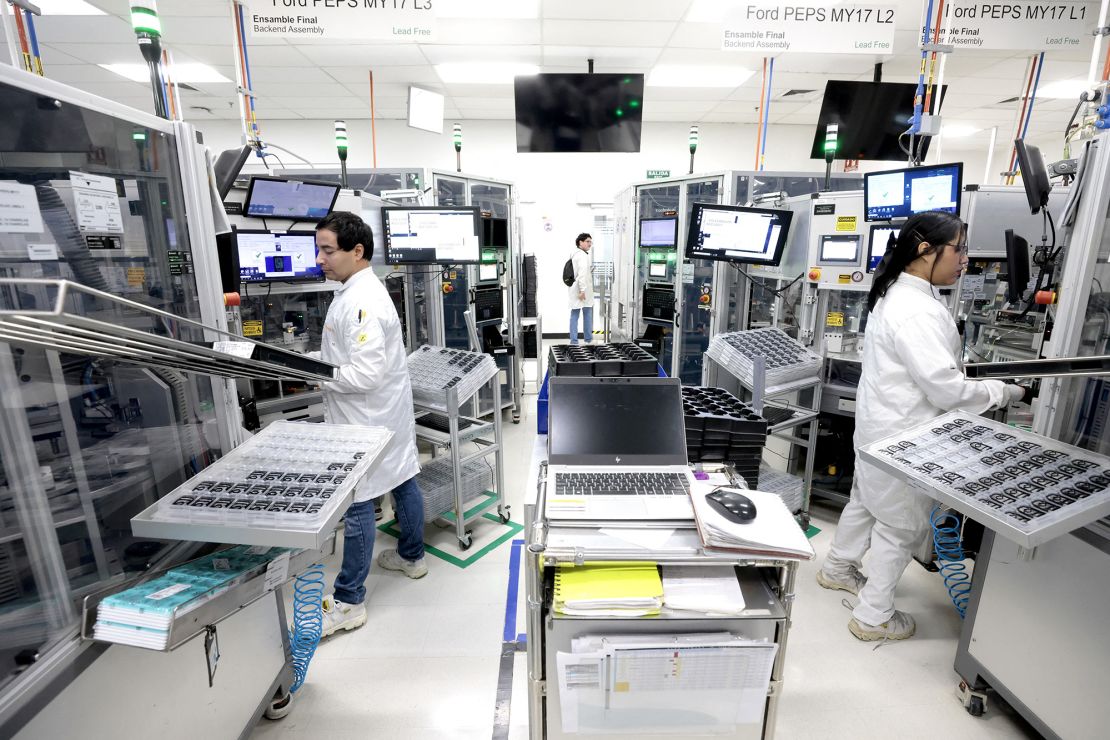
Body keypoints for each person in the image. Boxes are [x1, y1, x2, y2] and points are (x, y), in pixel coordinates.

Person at [816, 211, 1027, 642]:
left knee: (866, 499)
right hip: (906, 437)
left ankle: (837, 566)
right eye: (960, 249)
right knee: (900, 525)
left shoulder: (895, 292)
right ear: (924, 250)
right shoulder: (917, 310)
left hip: (879, 427)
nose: (967, 259)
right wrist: (1003, 393)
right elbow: (946, 389)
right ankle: (872, 618)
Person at [312, 211, 428, 639]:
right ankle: (412, 558)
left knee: (359, 503)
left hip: (365, 418)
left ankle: (348, 601)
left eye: (327, 250)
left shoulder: (360, 301)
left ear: (356, 251)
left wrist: (316, 374)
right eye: (319, 249)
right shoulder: (363, 290)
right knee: (403, 478)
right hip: (386, 414)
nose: (321, 259)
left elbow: (364, 375)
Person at [568, 232, 594, 344]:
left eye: (590, 241)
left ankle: (574, 341)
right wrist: (582, 290)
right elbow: (582, 275)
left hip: (574, 288)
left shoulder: (575, 254)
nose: (590, 244)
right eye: (587, 241)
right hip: (582, 290)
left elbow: (578, 272)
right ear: (580, 242)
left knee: (574, 314)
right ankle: (588, 340)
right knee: (587, 313)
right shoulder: (582, 255)